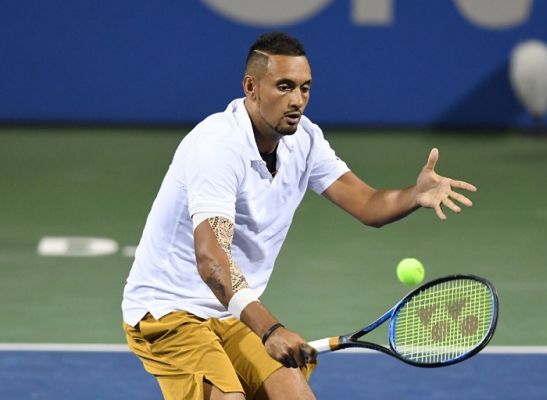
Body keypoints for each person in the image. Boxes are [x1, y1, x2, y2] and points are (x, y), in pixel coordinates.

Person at [122, 31, 477, 400]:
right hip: (168, 310)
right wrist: (270, 330)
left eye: (305, 89)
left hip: (232, 312)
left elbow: (368, 204)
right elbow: (212, 261)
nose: (297, 101)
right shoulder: (217, 147)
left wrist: (413, 195)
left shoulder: (305, 140)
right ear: (251, 87)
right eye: (285, 87)